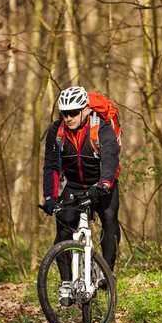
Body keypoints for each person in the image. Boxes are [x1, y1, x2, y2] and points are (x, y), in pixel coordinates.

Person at [40, 86, 121, 306]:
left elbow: (110, 157)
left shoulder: (100, 128)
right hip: (74, 184)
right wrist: (50, 197)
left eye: (74, 112)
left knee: (110, 218)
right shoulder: (57, 132)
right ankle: (67, 282)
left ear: (85, 110)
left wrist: (104, 184)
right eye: (65, 113)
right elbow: (51, 167)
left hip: (101, 183)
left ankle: (107, 272)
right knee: (64, 226)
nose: (69, 118)